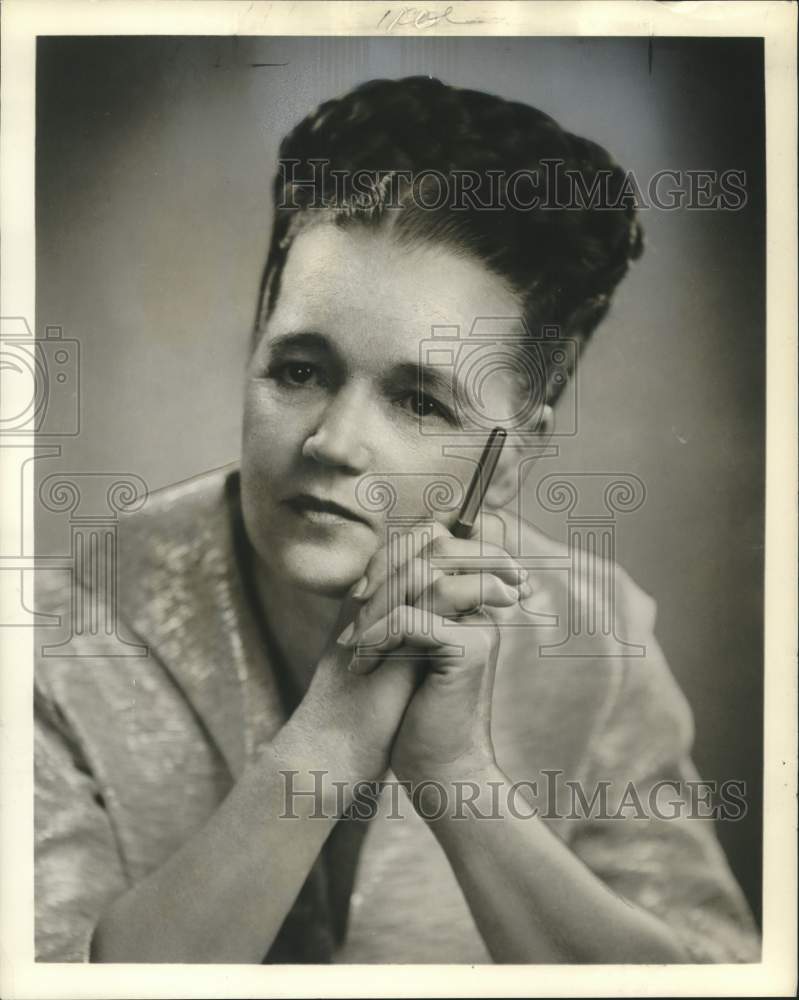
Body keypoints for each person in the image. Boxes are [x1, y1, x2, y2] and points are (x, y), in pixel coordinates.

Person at [34, 76, 760, 964]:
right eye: (299, 369)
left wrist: (457, 781)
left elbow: (709, 978)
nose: (334, 442)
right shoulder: (60, 640)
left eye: (419, 401)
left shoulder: (593, 638)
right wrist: (333, 734)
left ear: (511, 459)